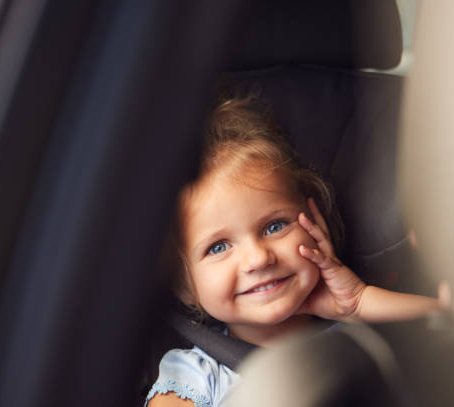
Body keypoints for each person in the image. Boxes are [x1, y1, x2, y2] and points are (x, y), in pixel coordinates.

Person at [145, 95, 444, 407]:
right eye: (218, 247)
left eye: (275, 227)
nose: (259, 258)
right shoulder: (195, 377)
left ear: (315, 224)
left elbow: (444, 331)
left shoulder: (358, 337)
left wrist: (356, 304)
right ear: (184, 286)